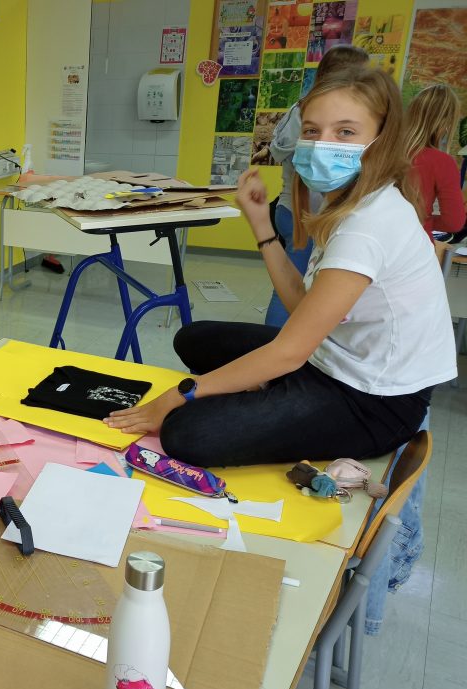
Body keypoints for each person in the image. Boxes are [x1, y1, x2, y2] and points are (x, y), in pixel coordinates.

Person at [104, 66, 457, 470]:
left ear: (382, 139)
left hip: (373, 400)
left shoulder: (368, 226)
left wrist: (181, 393)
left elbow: (290, 351)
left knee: (186, 433)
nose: (322, 145)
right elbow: (301, 306)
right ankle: (269, 394)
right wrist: (260, 222)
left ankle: (271, 397)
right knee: (194, 339)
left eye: (345, 132)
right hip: (330, 358)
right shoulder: (351, 201)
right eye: (312, 130)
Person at [264, 44, 370, 327]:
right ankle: (276, 340)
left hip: (296, 210)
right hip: (304, 213)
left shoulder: (299, 110)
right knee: (293, 286)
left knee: (298, 284)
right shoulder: (315, 111)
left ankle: (286, 340)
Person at [404, 84, 466, 239]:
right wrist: (425, 221)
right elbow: (454, 222)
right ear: (445, 123)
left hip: (373, 242)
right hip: (415, 243)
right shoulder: (442, 162)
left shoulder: (382, 151)